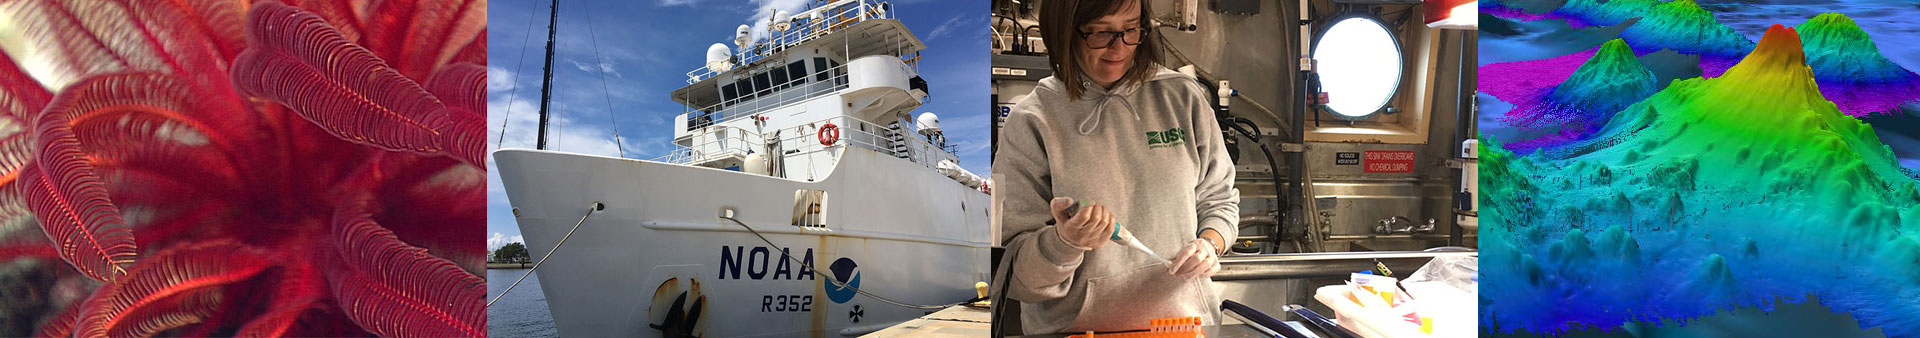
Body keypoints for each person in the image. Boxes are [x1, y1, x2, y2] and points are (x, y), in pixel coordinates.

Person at [991, 0, 1240, 334]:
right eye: (1100, 33)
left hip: (1182, 326)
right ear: (1064, 33)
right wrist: (1064, 243)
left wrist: (1211, 244)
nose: (1118, 47)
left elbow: (1220, 199)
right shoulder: (1033, 121)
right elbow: (1014, 274)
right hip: (1077, 331)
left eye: (1131, 30)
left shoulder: (1181, 98)